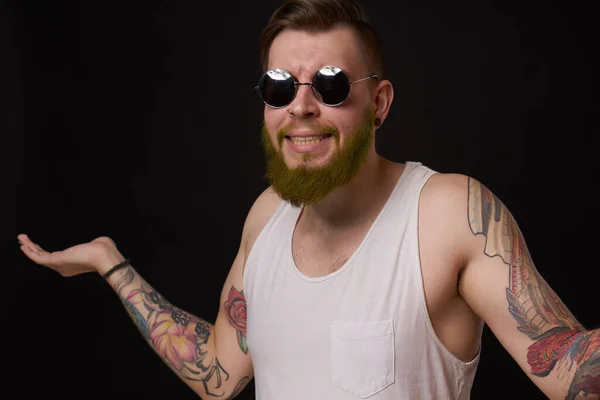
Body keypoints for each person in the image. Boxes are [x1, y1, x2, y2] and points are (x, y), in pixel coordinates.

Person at [17, 0, 599, 399]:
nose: (301, 106)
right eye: (278, 87)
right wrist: (111, 265)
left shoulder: (447, 213)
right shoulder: (267, 216)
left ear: (380, 103)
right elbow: (217, 374)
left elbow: (567, 366)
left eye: (330, 84)